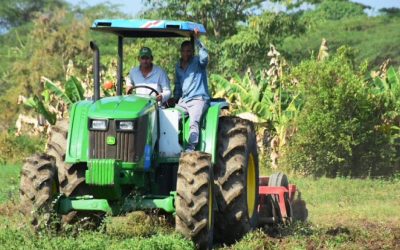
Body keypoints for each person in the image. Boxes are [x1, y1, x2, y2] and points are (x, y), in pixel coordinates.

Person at [172, 28, 210, 152]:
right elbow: (178, 85)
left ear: (193, 52)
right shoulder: (178, 66)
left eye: (189, 51)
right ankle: (173, 144)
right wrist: (175, 99)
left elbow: (205, 56)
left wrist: (197, 40)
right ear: (181, 52)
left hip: (198, 99)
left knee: (194, 121)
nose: (186, 53)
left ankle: (190, 148)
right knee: (170, 117)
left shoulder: (198, 62)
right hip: (184, 100)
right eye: (184, 51)